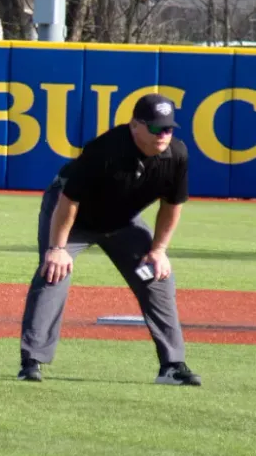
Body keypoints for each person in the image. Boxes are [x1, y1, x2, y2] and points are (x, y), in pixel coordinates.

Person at [17, 93, 201, 386]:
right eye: (156, 128)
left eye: (168, 128)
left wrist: (158, 250)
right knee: (54, 272)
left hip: (121, 222)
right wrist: (57, 248)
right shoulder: (105, 150)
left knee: (156, 276)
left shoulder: (176, 155)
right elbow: (69, 201)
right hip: (73, 218)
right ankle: (32, 361)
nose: (163, 135)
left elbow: (172, 205)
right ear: (135, 126)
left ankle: (172, 366)